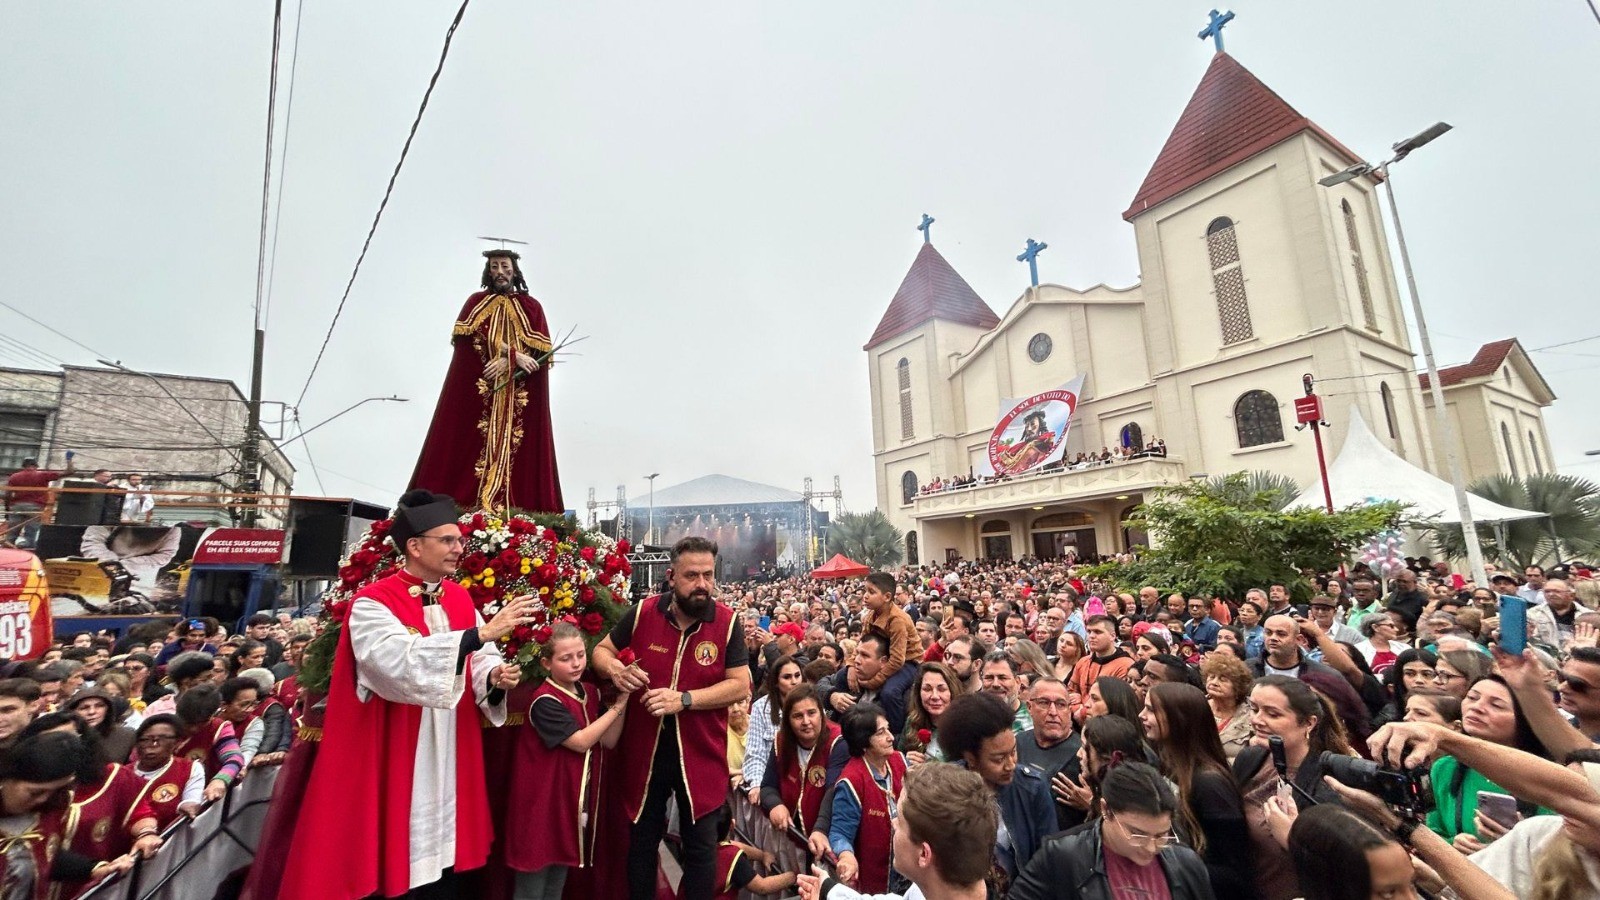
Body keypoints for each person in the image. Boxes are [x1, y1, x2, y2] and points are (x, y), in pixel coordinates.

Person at [278, 489, 528, 900]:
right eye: (447, 540)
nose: (458, 548)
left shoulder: (461, 597)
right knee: (396, 862)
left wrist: (495, 676)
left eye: (460, 540)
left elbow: (479, 660)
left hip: (449, 747)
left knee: (447, 868)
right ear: (414, 546)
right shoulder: (373, 603)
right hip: (399, 749)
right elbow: (393, 664)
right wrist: (479, 634)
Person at [592, 536, 750, 900]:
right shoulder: (644, 612)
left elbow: (740, 685)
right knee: (641, 841)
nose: (702, 585)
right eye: (692, 575)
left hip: (701, 753)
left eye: (708, 575)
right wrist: (616, 670)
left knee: (700, 850)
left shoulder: (727, 623)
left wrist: (686, 699)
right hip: (644, 749)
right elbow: (601, 651)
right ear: (671, 576)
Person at [408, 249, 563, 512]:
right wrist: (511, 355)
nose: (500, 272)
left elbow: (539, 355)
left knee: (521, 452)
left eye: (504, 266)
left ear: (515, 270)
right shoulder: (475, 303)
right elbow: (470, 342)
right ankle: (465, 506)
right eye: (494, 267)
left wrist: (512, 361)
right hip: (482, 392)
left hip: (518, 396)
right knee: (464, 448)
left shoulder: (532, 307)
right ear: (488, 272)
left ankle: (517, 508)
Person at [505, 622, 629, 900]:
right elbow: (581, 742)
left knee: (555, 886)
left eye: (581, 655)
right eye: (565, 658)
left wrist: (624, 698)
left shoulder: (588, 691)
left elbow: (607, 741)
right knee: (532, 889)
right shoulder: (544, 701)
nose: (576, 664)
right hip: (541, 808)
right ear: (546, 663)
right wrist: (617, 708)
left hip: (567, 805)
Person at [1010, 760, 1216, 900]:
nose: (1151, 847)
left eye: (1162, 835)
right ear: (1106, 810)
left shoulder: (1186, 864)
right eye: (1138, 834)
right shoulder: (1063, 857)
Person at [800, 763, 997, 900]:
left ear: (924, 854)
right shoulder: (940, 884)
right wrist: (829, 891)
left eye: (900, 821)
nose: (893, 823)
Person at [1233, 675, 1352, 900]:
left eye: (1273, 714)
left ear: (1309, 723)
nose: (1257, 720)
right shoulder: (1251, 757)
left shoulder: (1328, 785)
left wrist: (1292, 839)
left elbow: (1341, 868)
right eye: (1254, 708)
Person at [1142, 683, 1252, 898]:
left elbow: (1234, 872)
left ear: (1179, 719)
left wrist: (1166, 867)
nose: (1141, 715)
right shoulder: (1167, 764)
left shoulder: (1210, 784)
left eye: (1151, 710)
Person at [937, 693, 1055, 893]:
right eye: (998, 759)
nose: (1011, 764)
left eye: (1013, 752)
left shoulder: (1032, 787)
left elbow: (1048, 859)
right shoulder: (946, 790)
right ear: (971, 757)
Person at [1425, 674, 1553, 851]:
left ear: (1526, 720)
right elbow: (1432, 833)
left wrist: (1522, 838)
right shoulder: (1445, 767)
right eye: (1472, 697)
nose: (1477, 707)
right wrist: (1453, 844)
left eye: (1496, 705)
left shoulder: (1551, 775)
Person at [828, 703, 906, 893]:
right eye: (880, 733)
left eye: (888, 729)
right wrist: (846, 857)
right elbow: (840, 833)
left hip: (908, 872)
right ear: (863, 742)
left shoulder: (900, 760)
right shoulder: (852, 781)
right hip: (877, 883)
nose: (890, 737)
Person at [761, 685, 845, 839]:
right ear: (788, 720)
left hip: (825, 837)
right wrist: (774, 804)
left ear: (822, 713)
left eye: (812, 713)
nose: (806, 721)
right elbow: (767, 786)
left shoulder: (838, 742)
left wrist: (820, 829)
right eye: (798, 716)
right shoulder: (781, 740)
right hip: (790, 835)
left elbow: (832, 790)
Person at [1015, 677, 1082, 829]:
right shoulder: (1018, 742)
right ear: (1029, 707)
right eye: (1044, 703)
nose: (1053, 712)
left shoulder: (1083, 754)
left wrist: (1091, 804)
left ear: (1069, 710)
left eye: (1060, 704)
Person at [743, 655, 805, 802]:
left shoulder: (814, 706)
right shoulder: (761, 707)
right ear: (776, 682)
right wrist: (758, 784)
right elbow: (755, 753)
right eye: (787, 677)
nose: (794, 681)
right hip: (772, 785)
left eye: (797, 676)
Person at [125, 714, 204, 828]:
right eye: (145, 739)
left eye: (161, 739)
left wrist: (187, 807)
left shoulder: (190, 769)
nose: (152, 746)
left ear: (177, 743)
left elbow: (192, 801)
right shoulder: (123, 774)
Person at [1067, 616, 1134, 722]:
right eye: (1089, 632)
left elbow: (1115, 704)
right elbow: (1070, 691)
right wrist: (1076, 707)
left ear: (1112, 636)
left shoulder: (1125, 665)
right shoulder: (1083, 662)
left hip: (1107, 725)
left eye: (1098, 632)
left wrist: (1082, 711)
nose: (1091, 636)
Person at [3, 457, 72, 548]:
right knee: (31, 531)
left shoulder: (14, 476)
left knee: (12, 531)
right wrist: (69, 460)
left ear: (23, 466)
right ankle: (28, 550)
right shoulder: (42, 475)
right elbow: (69, 472)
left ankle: (7, 549)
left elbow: (8, 494)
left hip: (16, 506)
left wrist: (7, 508)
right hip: (35, 507)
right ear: (35, 466)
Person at [903, 662, 963, 761]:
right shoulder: (912, 721)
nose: (934, 696)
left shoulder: (965, 726)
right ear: (918, 693)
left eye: (942, 689)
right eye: (927, 689)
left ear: (952, 691)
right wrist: (906, 762)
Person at [1200, 653, 1253, 760]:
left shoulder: (1251, 715)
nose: (1214, 682)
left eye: (1223, 679)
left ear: (1238, 686)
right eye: (1212, 676)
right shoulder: (1195, 706)